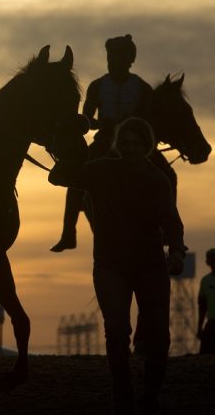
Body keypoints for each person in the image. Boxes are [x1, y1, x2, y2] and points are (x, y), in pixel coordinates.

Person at [55, 117, 185, 415]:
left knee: (159, 337)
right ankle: (122, 396)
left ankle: (151, 396)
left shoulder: (157, 180)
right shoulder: (99, 170)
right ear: (118, 144)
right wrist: (70, 144)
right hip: (110, 265)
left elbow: (171, 221)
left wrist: (176, 252)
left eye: (136, 144)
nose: (129, 148)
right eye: (125, 143)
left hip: (150, 265)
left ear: (146, 146)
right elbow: (58, 178)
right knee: (115, 331)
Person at [52, 34, 153, 252]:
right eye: (110, 56)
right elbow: (87, 117)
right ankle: (69, 232)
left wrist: (133, 124)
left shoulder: (142, 88)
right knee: (77, 175)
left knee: (167, 175)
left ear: (129, 59)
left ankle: (163, 226)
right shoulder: (98, 86)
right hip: (105, 140)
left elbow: (150, 118)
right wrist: (99, 123)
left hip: (135, 143)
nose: (112, 61)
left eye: (117, 56)